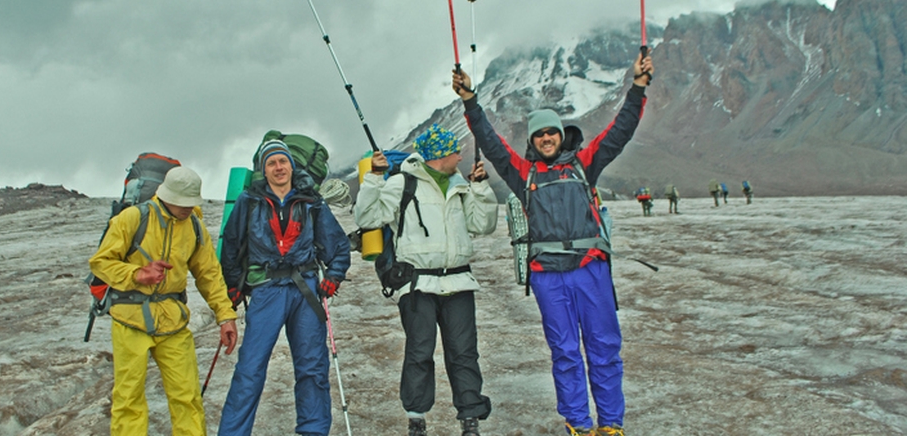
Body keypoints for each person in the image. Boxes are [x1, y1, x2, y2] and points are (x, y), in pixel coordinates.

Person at [452, 50, 653, 436]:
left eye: (552, 132)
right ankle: (578, 423)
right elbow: (491, 144)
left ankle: (611, 425)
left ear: (561, 136)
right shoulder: (523, 174)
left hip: (590, 270)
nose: (546, 138)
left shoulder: (584, 164)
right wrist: (469, 101)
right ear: (533, 140)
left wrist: (639, 86)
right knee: (564, 354)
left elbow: (620, 131)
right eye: (540, 134)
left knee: (604, 349)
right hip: (548, 277)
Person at [355, 124, 499, 436]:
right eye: (454, 152)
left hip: (459, 282)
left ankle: (470, 418)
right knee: (419, 352)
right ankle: (416, 418)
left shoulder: (460, 184)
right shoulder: (400, 183)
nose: (460, 156)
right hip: (417, 284)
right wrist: (374, 178)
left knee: (464, 352)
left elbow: (483, 225)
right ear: (439, 156)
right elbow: (367, 218)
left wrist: (481, 189)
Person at [88, 166, 239, 436]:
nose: (187, 208)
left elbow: (209, 274)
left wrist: (225, 316)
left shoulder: (194, 225)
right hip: (129, 319)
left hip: (172, 320)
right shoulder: (133, 218)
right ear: (165, 195)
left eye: (191, 203)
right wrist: (137, 274)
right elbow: (100, 263)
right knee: (128, 398)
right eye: (182, 203)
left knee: (188, 396)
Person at [218, 139, 351, 436]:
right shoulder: (249, 201)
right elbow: (232, 245)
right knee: (250, 370)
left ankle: (313, 430)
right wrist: (232, 284)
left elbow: (338, 245)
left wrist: (334, 275)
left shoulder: (311, 201)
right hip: (266, 290)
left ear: (291, 165)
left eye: (283, 161)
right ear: (263, 170)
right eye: (271, 163)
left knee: (312, 368)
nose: (278, 167)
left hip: (305, 290)